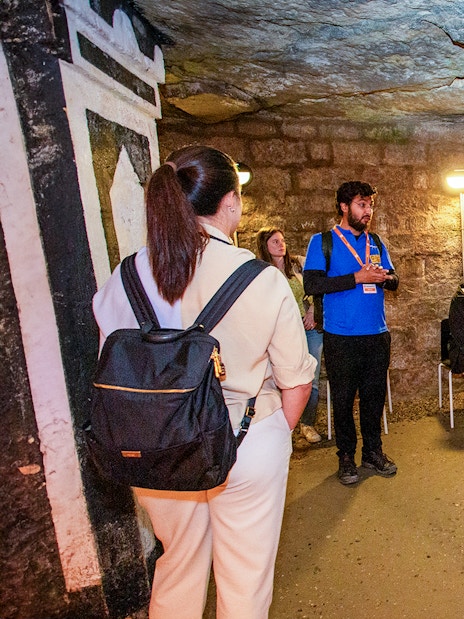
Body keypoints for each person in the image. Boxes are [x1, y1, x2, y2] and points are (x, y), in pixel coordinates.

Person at [92, 146, 316, 618]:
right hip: (242, 440)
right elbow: (295, 381)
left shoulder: (125, 276)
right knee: (245, 581)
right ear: (230, 201)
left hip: (155, 447)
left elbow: (112, 368)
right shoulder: (262, 280)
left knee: (177, 566)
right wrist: (274, 433)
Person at [303, 181, 399, 485]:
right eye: (361, 204)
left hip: (376, 334)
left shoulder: (376, 243)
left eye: (370, 204)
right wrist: (357, 277)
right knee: (343, 400)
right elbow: (313, 284)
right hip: (341, 336)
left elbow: (395, 279)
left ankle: (373, 452)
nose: (368, 210)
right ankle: (346, 456)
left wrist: (386, 277)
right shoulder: (323, 242)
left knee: (374, 398)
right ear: (344, 207)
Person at [256, 226, 323, 443]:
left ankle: (307, 423)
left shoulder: (298, 265)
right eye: (275, 241)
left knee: (310, 376)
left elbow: (314, 289)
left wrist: (313, 311)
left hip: (308, 327)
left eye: (282, 240)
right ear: (265, 246)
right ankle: (284, 426)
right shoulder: (262, 272)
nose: (281, 244)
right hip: (282, 332)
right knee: (282, 378)